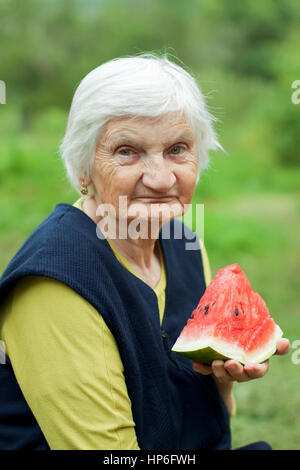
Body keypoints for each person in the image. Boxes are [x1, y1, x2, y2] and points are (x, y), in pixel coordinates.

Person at [0, 52, 290, 450]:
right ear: (84, 169)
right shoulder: (54, 283)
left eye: (177, 149)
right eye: (126, 151)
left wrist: (221, 378)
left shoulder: (187, 246)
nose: (160, 178)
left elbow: (209, 424)